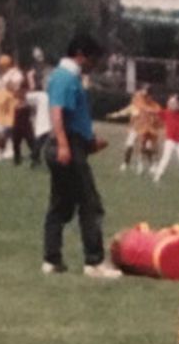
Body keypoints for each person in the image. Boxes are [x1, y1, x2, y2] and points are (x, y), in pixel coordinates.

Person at [42, 33, 121, 279]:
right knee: (90, 205)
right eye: (93, 59)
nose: (94, 65)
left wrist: (90, 142)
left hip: (73, 144)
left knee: (61, 205)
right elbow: (57, 113)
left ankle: (51, 259)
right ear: (80, 55)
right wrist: (66, 145)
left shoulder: (65, 77)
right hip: (67, 146)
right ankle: (94, 262)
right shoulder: (66, 77)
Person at [105, 85, 158, 173]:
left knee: (146, 147)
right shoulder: (134, 106)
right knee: (129, 145)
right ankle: (126, 163)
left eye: (147, 94)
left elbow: (155, 117)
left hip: (145, 129)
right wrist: (112, 115)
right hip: (134, 128)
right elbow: (123, 112)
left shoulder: (151, 106)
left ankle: (150, 165)